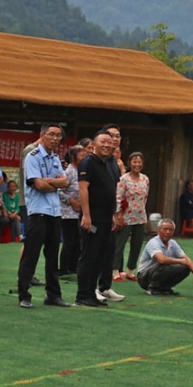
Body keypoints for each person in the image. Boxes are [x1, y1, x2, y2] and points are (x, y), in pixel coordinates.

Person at [17, 123, 70, 309]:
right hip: (38, 213)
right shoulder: (32, 157)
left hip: (55, 213)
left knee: (52, 256)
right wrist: (55, 183)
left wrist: (51, 182)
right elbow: (38, 185)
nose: (55, 139)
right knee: (31, 255)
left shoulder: (55, 158)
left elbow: (66, 181)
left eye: (58, 136)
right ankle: (24, 295)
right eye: (52, 135)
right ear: (42, 135)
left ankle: (53, 295)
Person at [76, 129, 125, 307]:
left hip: (106, 219)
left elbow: (112, 191)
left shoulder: (111, 163)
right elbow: (83, 189)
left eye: (109, 142)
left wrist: (113, 214)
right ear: (94, 144)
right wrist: (87, 216)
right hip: (92, 219)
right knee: (88, 257)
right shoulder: (88, 162)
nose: (106, 144)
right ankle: (82, 295)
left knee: (101, 257)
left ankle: (92, 294)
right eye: (102, 141)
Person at [136, 218, 193, 295]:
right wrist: (180, 261)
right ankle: (152, 289)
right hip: (144, 277)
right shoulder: (153, 242)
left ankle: (165, 288)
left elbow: (187, 259)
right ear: (158, 230)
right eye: (165, 229)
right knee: (163, 265)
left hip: (158, 272)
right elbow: (161, 259)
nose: (168, 232)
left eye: (171, 230)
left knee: (185, 268)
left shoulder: (173, 243)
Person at [113, 151, 150, 281]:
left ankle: (130, 270)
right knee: (120, 244)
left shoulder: (145, 179)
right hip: (126, 216)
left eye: (139, 162)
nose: (137, 164)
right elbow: (118, 197)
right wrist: (118, 215)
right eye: (134, 162)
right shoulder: (124, 179)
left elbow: (145, 197)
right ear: (129, 163)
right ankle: (115, 270)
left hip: (140, 216)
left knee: (137, 244)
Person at [57, 145, 86, 275]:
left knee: (78, 241)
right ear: (73, 157)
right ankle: (63, 268)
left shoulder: (82, 170)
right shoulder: (67, 172)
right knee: (69, 242)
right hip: (68, 212)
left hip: (80, 212)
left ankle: (74, 267)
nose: (84, 158)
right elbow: (59, 191)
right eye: (82, 155)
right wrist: (71, 201)